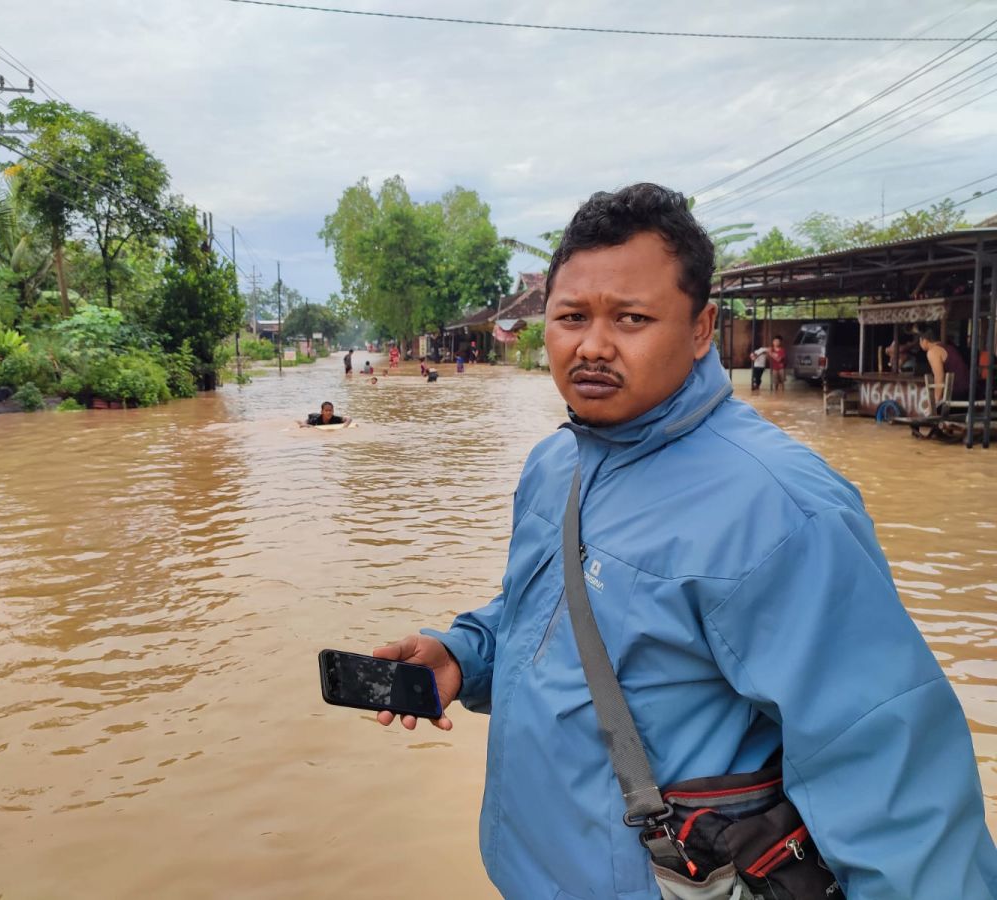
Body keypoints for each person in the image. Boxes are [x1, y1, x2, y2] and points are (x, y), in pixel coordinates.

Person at [372, 184, 997, 899]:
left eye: (632, 318)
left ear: (703, 328)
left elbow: (892, 781)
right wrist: (462, 654)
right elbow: (538, 614)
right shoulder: (556, 465)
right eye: (571, 317)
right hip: (524, 873)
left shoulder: (780, 508)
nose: (593, 345)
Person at [919, 328, 970, 405]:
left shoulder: (933, 351)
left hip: (956, 393)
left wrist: (936, 402)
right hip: (968, 390)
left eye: (920, 341)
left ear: (925, 341)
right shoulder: (949, 347)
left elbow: (939, 377)